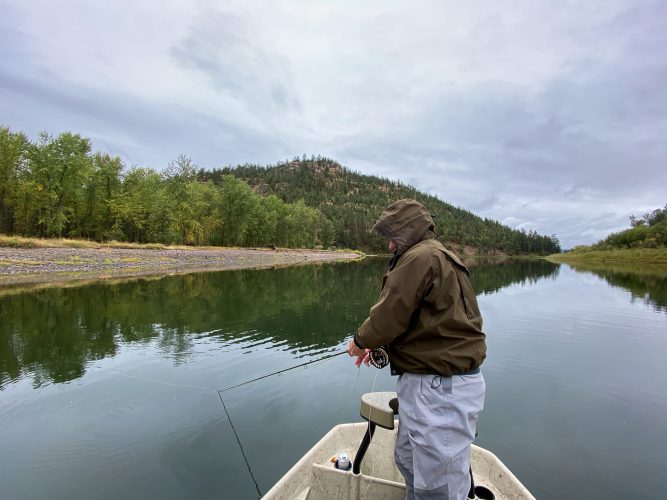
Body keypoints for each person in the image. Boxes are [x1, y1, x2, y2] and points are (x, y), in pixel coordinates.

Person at [347, 199, 486, 500]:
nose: (388, 246)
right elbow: (427, 325)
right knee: (408, 463)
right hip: (431, 386)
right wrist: (385, 347)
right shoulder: (437, 255)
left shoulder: (419, 257)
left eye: (391, 236)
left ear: (406, 231)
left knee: (438, 490)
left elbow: (388, 315)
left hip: (439, 392)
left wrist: (360, 342)